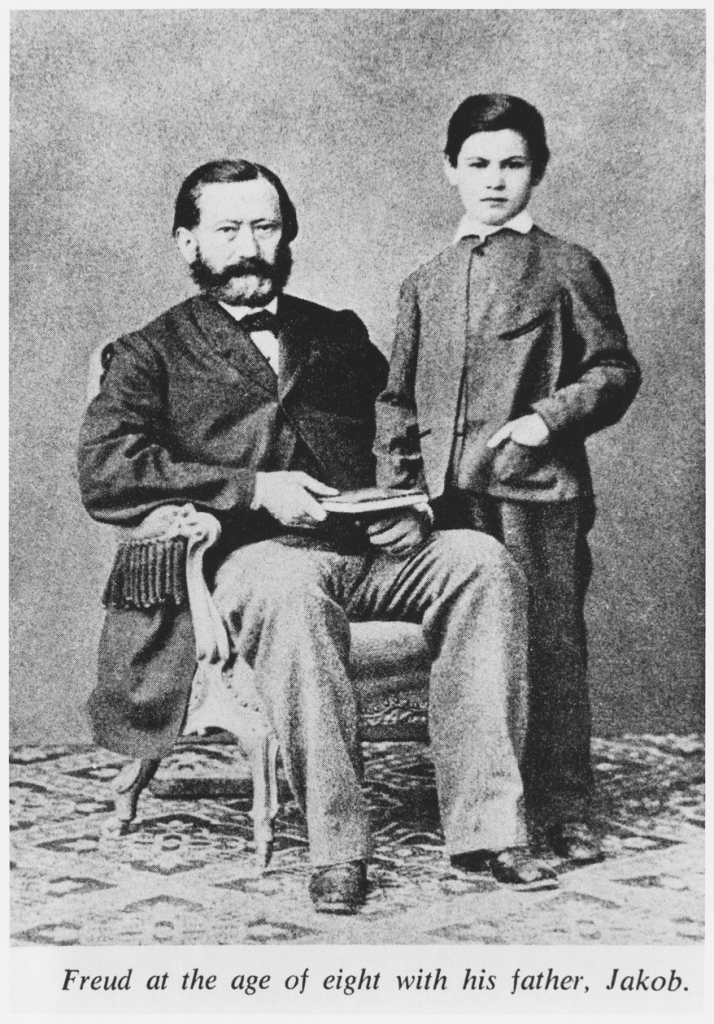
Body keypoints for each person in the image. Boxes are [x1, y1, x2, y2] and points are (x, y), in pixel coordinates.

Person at [78, 158, 556, 915]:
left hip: (369, 550)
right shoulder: (149, 352)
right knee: (292, 589)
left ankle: (489, 830)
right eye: (228, 230)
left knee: (482, 562)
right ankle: (338, 847)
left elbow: (404, 433)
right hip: (254, 557)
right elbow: (107, 471)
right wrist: (254, 489)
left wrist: (414, 508)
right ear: (187, 242)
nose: (249, 247)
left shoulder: (336, 332)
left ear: (287, 234)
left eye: (265, 227)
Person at [375, 95, 641, 864]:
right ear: (450, 170)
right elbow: (396, 401)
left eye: (513, 164)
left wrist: (546, 420)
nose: (494, 180)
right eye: (479, 163)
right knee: (474, 653)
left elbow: (614, 369)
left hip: (535, 495)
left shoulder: (567, 266)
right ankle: (484, 810)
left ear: (538, 171)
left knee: (548, 647)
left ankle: (562, 807)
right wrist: (402, 490)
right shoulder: (424, 281)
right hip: (446, 505)